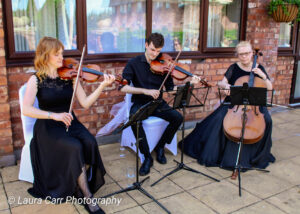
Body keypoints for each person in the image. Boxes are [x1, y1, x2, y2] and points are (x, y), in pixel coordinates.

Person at [22, 37, 115, 214]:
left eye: (61, 53)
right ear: (45, 56)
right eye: (56, 54)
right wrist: (53, 115)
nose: (61, 58)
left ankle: (79, 180)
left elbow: (85, 103)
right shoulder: (35, 80)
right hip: (47, 126)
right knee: (74, 147)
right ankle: (87, 196)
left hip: (69, 121)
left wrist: (102, 85)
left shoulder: (70, 76)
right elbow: (26, 109)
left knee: (89, 142)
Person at [179, 41, 275, 172]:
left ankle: (257, 155)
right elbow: (221, 83)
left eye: (247, 53)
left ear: (252, 53)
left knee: (268, 121)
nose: (244, 57)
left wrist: (263, 76)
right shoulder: (234, 67)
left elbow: (269, 88)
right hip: (234, 104)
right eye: (241, 54)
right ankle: (222, 154)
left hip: (254, 105)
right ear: (237, 55)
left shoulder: (259, 68)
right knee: (218, 120)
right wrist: (227, 87)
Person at [120, 33, 201, 176]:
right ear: (146, 45)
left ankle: (161, 146)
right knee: (134, 120)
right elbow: (122, 87)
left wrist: (189, 84)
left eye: (158, 51)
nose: (155, 54)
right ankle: (147, 156)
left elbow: (170, 89)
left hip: (158, 103)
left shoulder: (164, 63)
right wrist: (145, 91)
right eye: (152, 50)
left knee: (177, 118)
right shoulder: (134, 63)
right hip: (140, 102)